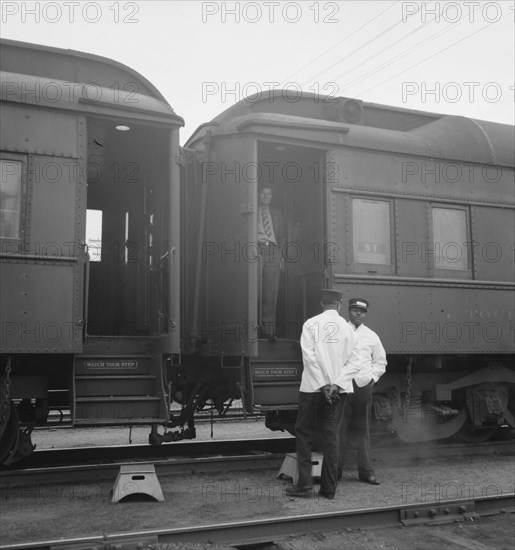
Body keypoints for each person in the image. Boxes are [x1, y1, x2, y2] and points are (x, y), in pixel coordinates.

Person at [286, 289, 358, 499]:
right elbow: (355, 362)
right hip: (339, 391)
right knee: (332, 437)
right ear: (340, 304)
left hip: (311, 389)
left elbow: (308, 358)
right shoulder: (349, 329)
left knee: (305, 434)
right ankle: (329, 489)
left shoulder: (310, 324)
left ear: (321, 303)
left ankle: (305, 486)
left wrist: (322, 385)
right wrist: (335, 385)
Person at [338, 298, 387, 485]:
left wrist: (371, 379)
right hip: (343, 385)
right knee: (340, 429)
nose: (358, 314)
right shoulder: (342, 331)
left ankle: (366, 472)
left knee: (362, 429)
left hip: (362, 386)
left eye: (362, 311)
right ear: (349, 311)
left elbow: (381, 361)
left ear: (366, 314)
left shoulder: (372, 336)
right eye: (355, 310)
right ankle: (336, 472)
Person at [257, 186, 285, 339]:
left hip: (273, 251)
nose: (266, 196)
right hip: (256, 250)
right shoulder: (253, 210)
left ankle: (268, 331)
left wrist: (280, 255)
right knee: (254, 290)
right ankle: (253, 329)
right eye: (263, 193)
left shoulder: (277, 212)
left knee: (270, 292)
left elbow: (282, 235)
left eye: (269, 193)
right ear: (258, 195)